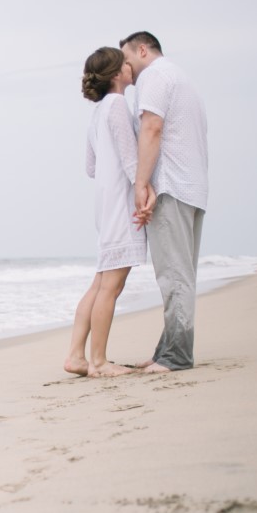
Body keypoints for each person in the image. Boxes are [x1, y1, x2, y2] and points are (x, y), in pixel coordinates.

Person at [120, 31, 209, 372]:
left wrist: (141, 183)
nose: (126, 70)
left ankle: (177, 356)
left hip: (172, 187)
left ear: (142, 50)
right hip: (193, 187)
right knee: (180, 274)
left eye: (127, 60)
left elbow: (152, 128)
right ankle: (166, 350)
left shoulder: (154, 76)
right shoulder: (180, 76)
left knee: (174, 276)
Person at [65, 46, 148, 378]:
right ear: (117, 74)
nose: (131, 68)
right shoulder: (116, 104)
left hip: (104, 201)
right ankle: (98, 361)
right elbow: (130, 159)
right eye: (126, 64)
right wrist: (144, 191)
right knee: (111, 285)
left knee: (101, 282)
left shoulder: (97, 111)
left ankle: (76, 356)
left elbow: (90, 167)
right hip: (120, 203)